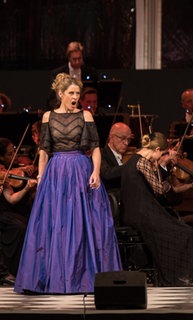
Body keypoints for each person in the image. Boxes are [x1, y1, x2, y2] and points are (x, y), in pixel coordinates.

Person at [14, 73, 122, 294]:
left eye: (77, 93)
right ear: (60, 94)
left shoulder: (86, 117)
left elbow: (95, 149)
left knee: (83, 225)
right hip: (56, 173)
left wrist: (95, 172)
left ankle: (84, 277)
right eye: (71, 93)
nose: (75, 97)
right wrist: (42, 178)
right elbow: (43, 151)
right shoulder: (48, 117)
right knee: (56, 225)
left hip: (80, 171)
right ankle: (52, 278)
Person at [120, 132, 193, 287]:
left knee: (179, 229)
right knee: (183, 232)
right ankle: (177, 277)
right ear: (157, 149)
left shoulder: (132, 160)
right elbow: (159, 189)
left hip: (134, 211)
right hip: (143, 212)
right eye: (162, 154)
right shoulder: (143, 162)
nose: (159, 158)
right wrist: (167, 174)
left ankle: (173, 276)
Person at [1, 138, 38, 286]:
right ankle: (11, 270)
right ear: (2, 157)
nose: (15, 156)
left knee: (28, 223)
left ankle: (27, 269)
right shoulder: (4, 173)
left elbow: (11, 199)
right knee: (20, 227)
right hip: (3, 213)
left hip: (8, 211)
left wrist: (27, 188)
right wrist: (19, 171)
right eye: (10, 154)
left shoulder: (6, 177)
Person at [100, 122, 133, 214]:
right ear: (111, 137)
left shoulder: (127, 156)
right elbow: (107, 174)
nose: (126, 143)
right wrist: (131, 165)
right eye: (122, 138)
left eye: (129, 140)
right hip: (112, 202)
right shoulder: (101, 154)